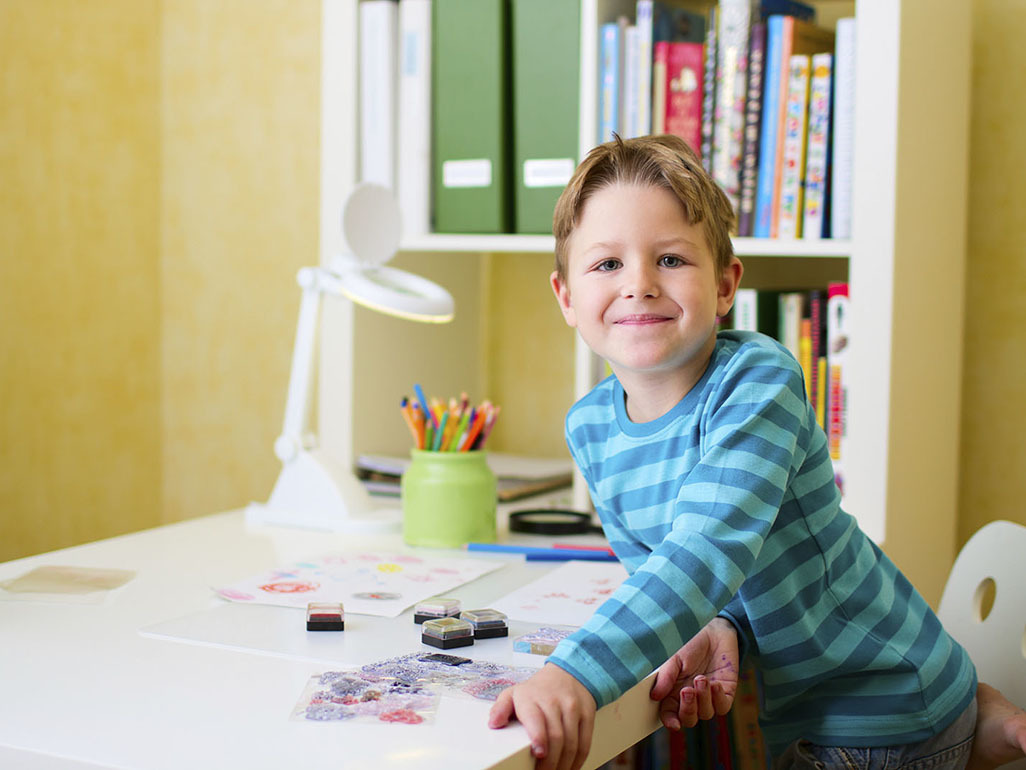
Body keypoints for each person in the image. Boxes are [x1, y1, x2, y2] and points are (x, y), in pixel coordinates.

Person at [487, 134, 1026, 770]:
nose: (638, 285)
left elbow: (703, 552)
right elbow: (661, 568)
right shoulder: (590, 429)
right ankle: (975, 727)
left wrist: (574, 673)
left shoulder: (757, 382)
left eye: (670, 260)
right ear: (567, 298)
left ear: (724, 286)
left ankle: (961, 728)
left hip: (875, 704)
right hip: (802, 709)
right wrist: (714, 626)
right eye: (607, 265)